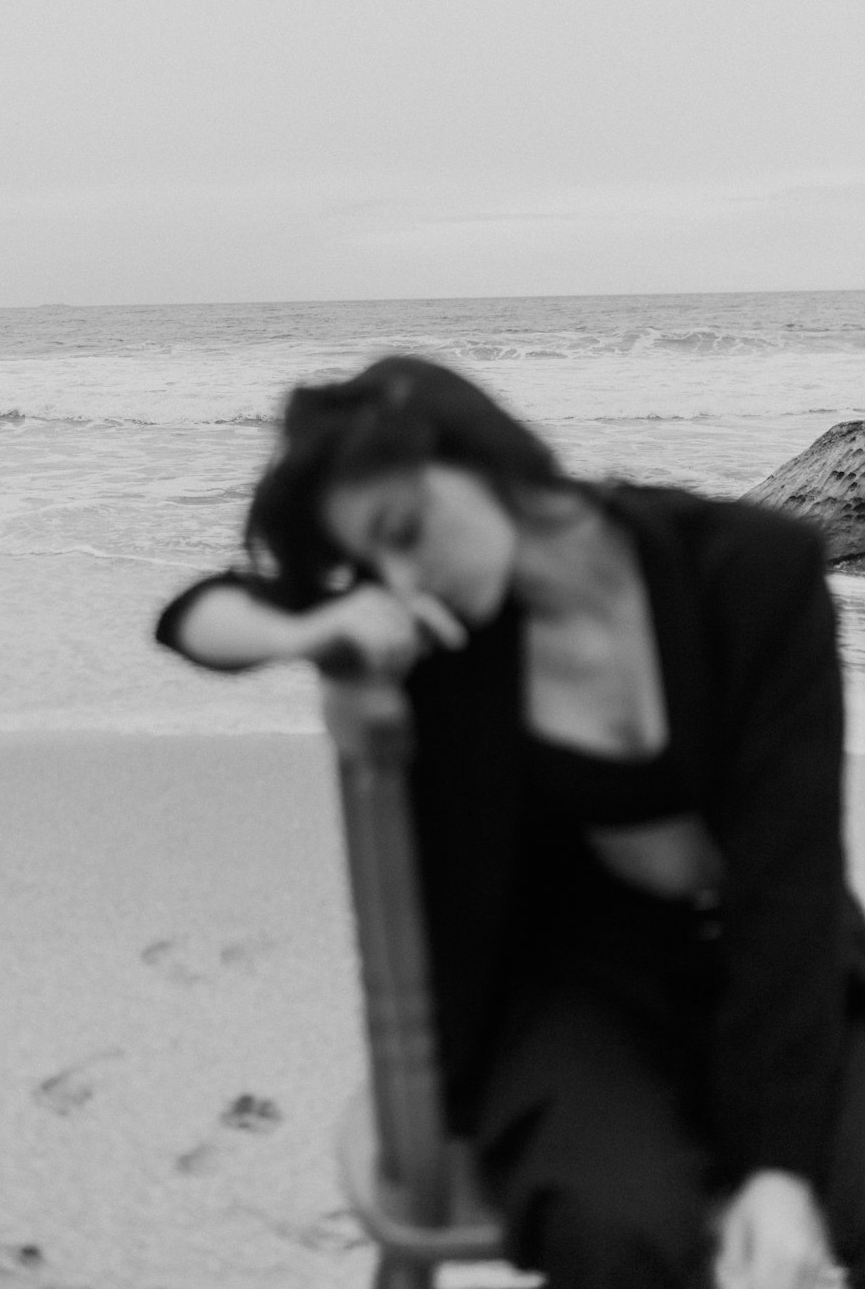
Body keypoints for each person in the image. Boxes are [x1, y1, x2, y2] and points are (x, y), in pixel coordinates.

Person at [155, 355, 865, 1289]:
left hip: (783, 957)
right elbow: (194, 615)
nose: (408, 575)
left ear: (485, 457)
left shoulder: (750, 570)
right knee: (617, 1228)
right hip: (577, 986)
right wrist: (317, 628)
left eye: (407, 530)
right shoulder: (437, 624)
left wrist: (777, 1172)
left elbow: (793, 874)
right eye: (378, 561)